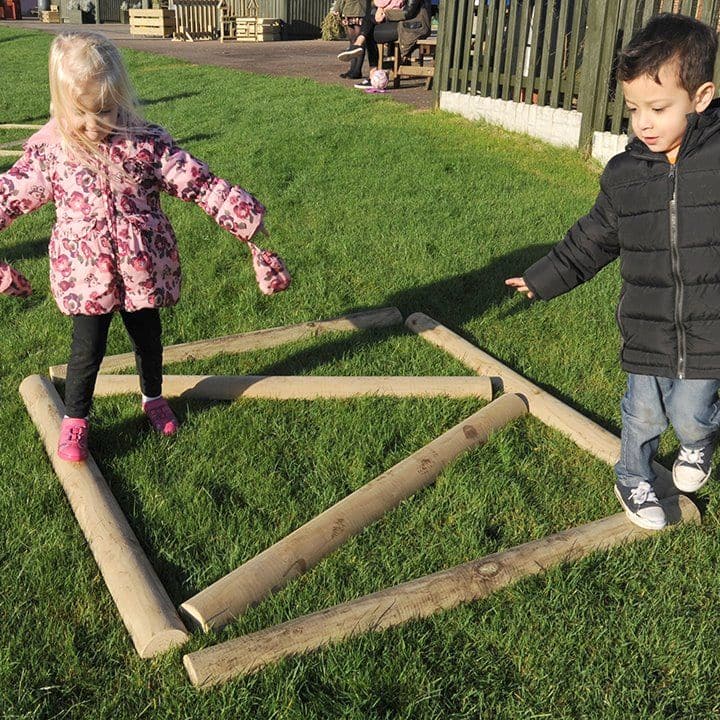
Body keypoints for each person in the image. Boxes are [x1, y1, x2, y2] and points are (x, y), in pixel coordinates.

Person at [0, 32, 290, 462]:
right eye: (82, 112)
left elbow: (198, 183)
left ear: (120, 97)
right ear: (62, 103)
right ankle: (75, 421)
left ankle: (152, 397)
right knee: (86, 348)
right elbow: (8, 194)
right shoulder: (51, 153)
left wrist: (241, 215)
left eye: (105, 109)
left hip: (141, 268)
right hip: (86, 274)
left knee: (148, 337)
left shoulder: (145, 144)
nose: (95, 124)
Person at [505, 13, 720, 530]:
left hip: (710, 326)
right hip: (647, 325)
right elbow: (594, 235)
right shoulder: (625, 174)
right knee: (643, 414)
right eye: (633, 109)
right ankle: (633, 474)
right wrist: (545, 275)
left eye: (658, 107)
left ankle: (698, 443)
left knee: (693, 412)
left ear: (702, 96)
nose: (643, 122)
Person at [337, 0, 431, 89]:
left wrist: (385, 14)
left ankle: (370, 70)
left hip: (414, 26)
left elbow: (408, 13)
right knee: (369, 23)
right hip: (404, 23)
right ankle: (360, 46)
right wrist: (381, 11)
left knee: (369, 31)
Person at [331, 0, 371, 80]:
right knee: (352, 42)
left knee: (359, 42)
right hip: (348, 10)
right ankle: (352, 69)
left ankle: (357, 70)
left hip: (360, 10)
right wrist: (337, 8)